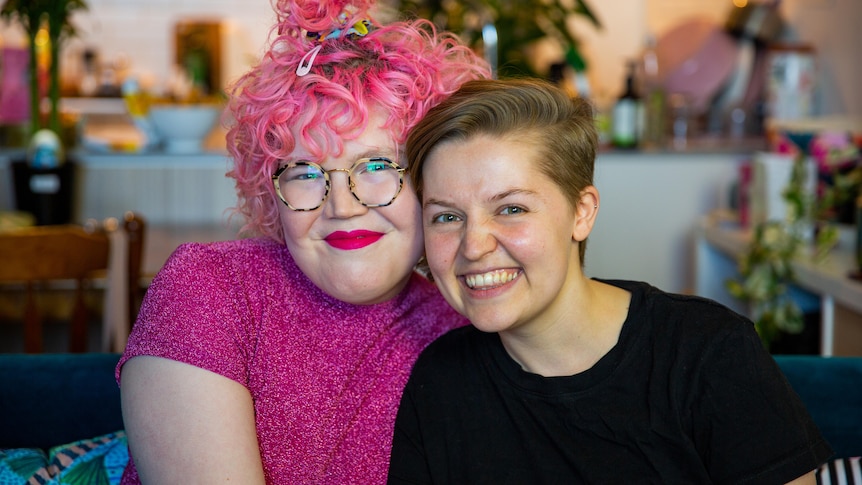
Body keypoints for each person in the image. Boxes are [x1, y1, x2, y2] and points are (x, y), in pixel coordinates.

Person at [387, 78, 833, 484]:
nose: (473, 246)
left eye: (511, 209)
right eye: (447, 216)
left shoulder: (708, 352)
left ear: (581, 213)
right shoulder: (439, 384)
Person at [115, 1, 490, 483]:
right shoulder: (210, 289)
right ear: (270, 190)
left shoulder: (465, 321)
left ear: (433, 182)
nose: (342, 205)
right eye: (306, 172)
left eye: (376, 167)